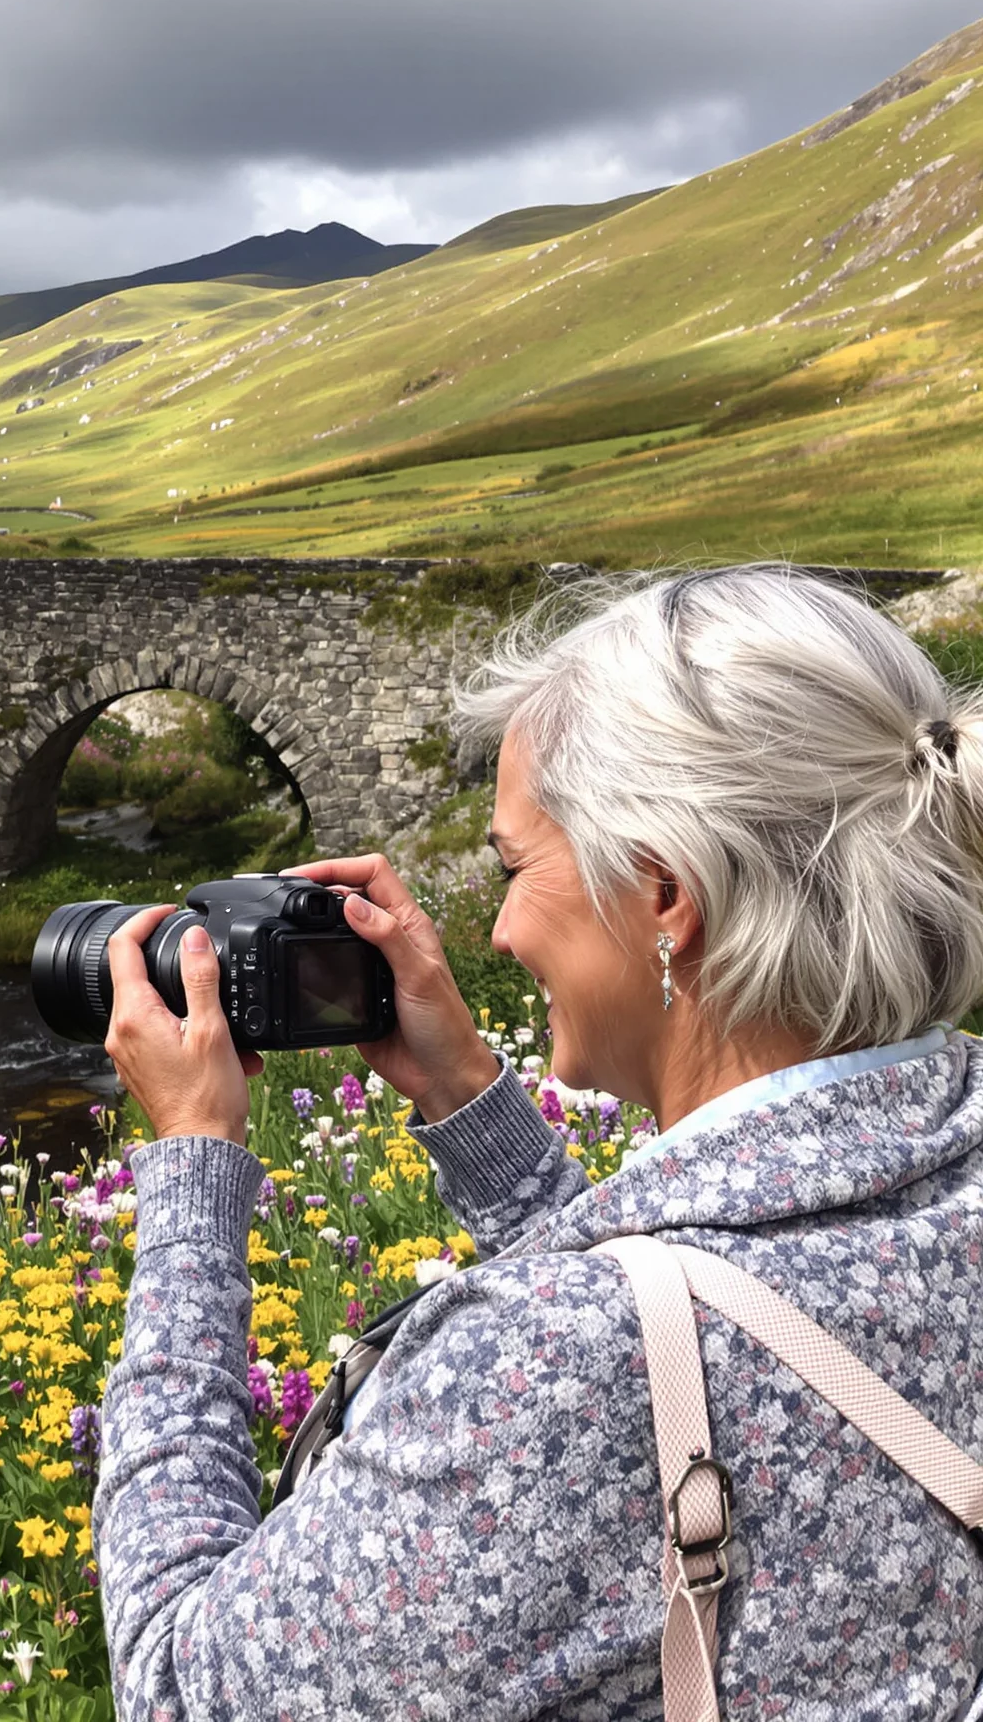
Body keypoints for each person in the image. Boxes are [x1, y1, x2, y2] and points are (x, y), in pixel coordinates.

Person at [93, 566, 983, 1720]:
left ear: (664, 888)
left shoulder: (540, 1374)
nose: (500, 928)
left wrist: (190, 1179)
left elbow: (177, 1684)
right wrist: (467, 1095)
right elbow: (705, 1306)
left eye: (514, 868)